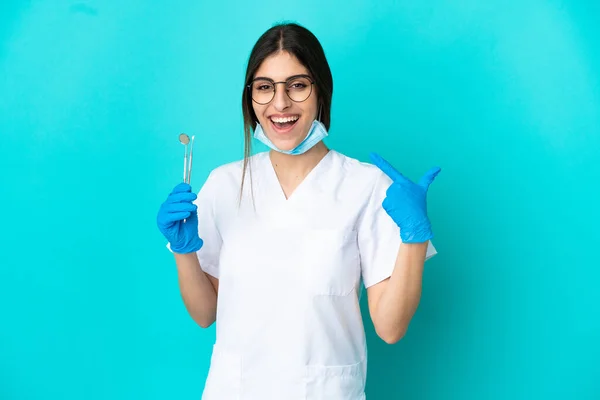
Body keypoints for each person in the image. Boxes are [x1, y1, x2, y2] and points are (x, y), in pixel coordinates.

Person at [156, 22, 441, 400]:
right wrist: (184, 252)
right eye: (264, 87)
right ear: (250, 98)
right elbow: (205, 313)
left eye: (297, 85)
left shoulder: (366, 186)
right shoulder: (224, 184)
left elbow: (390, 327)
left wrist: (414, 238)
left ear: (320, 90)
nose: (280, 104)